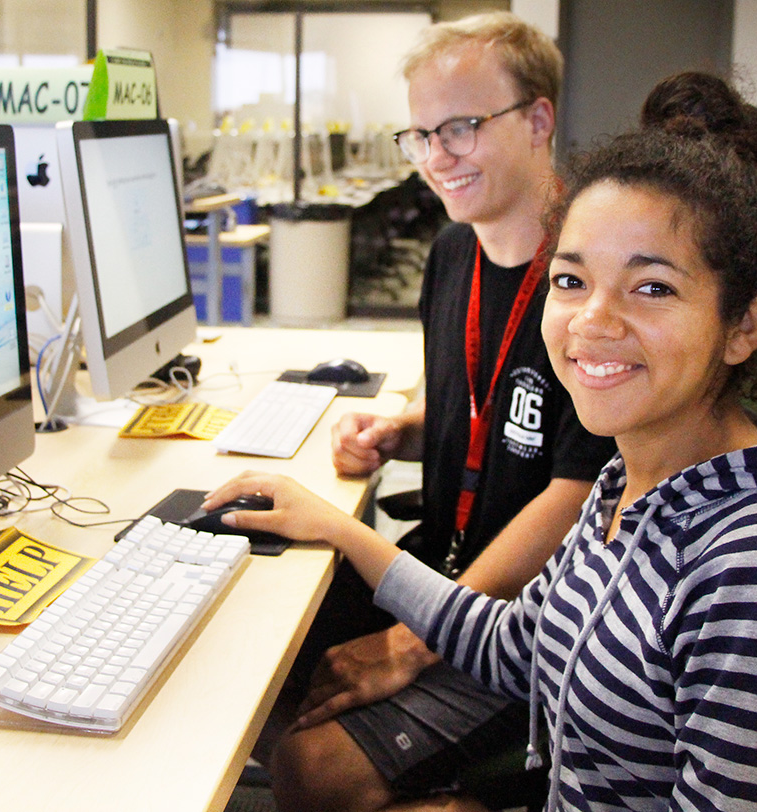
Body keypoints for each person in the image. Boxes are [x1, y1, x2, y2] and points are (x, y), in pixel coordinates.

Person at [205, 72, 757, 811]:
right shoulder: (628, 489)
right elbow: (518, 643)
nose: (592, 322)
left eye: (653, 288)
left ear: (747, 324)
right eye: (571, 281)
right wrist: (337, 528)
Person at [261, 11, 617, 812]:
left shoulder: (589, 283)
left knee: (311, 770)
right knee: (251, 648)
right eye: (419, 135)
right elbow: (479, 403)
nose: (435, 158)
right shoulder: (454, 251)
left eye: (459, 127)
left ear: (538, 119)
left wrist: (415, 641)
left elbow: (576, 493)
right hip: (445, 559)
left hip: (534, 612)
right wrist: (403, 431)